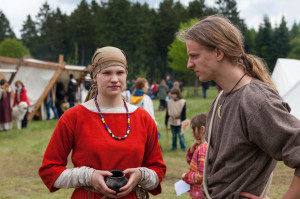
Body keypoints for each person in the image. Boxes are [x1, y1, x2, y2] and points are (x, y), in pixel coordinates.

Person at [182, 14, 300, 198]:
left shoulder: (255, 100)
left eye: (194, 56)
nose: (189, 64)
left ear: (219, 53)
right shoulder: (220, 99)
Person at [39, 46, 166, 199]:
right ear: (95, 76)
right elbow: (49, 171)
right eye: (106, 73)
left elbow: (158, 171)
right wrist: (88, 176)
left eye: (120, 73)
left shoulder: (143, 118)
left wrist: (141, 175)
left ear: (126, 74)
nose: (114, 79)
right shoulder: (73, 117)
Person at [182, 113, 208, 199]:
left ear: (202, 129)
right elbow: (192, 162)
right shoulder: (203, 147)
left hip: (201, 193)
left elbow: (201, 175)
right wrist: (192, 149)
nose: (191, 132)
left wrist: (186, 177)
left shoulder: (203, 149)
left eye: (193, 129)